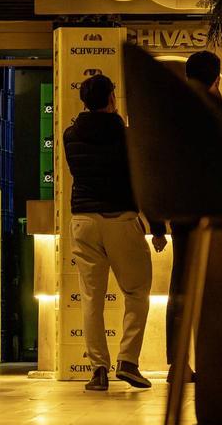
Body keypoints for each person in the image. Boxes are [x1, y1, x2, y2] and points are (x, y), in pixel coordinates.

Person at [62, 73, 166, 391]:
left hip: (83, 219)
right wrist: (158, 227)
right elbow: (142, 182)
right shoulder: (127, 136)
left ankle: (98, 370)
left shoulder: (70, 135)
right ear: (111, 98)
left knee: (91, 297)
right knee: (135, 292)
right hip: (120, 218)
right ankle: (128, 362)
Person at [165, 50, 222, 380]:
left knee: (179, 289)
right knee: (213, 289)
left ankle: (177, 362)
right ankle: (212, 360)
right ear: (216, 79)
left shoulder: (170, 110)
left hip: (180, 212)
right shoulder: (216, 112)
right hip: (211, 212)